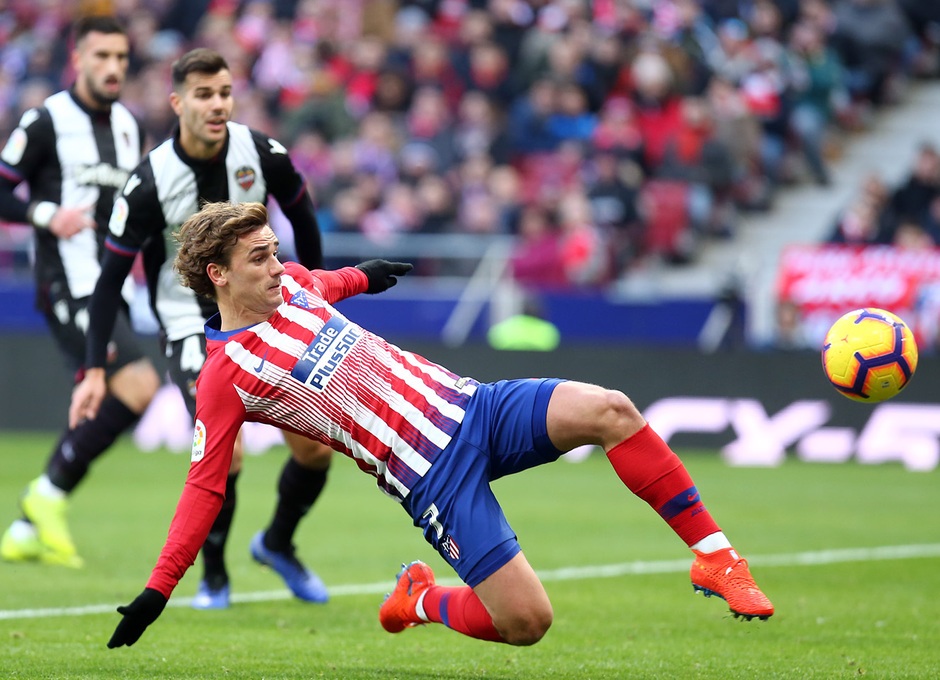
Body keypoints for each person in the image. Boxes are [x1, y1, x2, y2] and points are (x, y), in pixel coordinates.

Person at [106, 201, 774, 650]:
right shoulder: (223, 378)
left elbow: (329, 281)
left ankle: (717, 558)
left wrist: (364, 276)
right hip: (431, 478)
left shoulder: (296, 285)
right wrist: (159, 588)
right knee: (527, 623)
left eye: (276, 251)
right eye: (260, 259)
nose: (279, 267)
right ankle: (421, 598)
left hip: (476, 407)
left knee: (612, 409)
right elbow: (203, 487)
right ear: (218, 275)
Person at [68, 48, 331, 609]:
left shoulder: (262, 153)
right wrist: (94, 367)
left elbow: (305, 223)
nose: (218, 105)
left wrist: (312, 298)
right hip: (191, 324)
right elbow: (110, 281)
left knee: (314, 453)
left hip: (268, 312)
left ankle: (278, 544)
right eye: (204, 95)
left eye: (225, 93)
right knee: (225, 452)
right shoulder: (147, 182)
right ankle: (214, 576)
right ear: (177, 102)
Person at [0, 16, 161, 568]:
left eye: (121, 57)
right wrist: (45, 214)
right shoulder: (45, 121)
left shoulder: (127, 126)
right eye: (102, 57)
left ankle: (28, 524)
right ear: (78, 58)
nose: (113, 67)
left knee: (111, 395)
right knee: (138, 384)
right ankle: (46, 497)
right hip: (66, 282)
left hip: (110, 285)